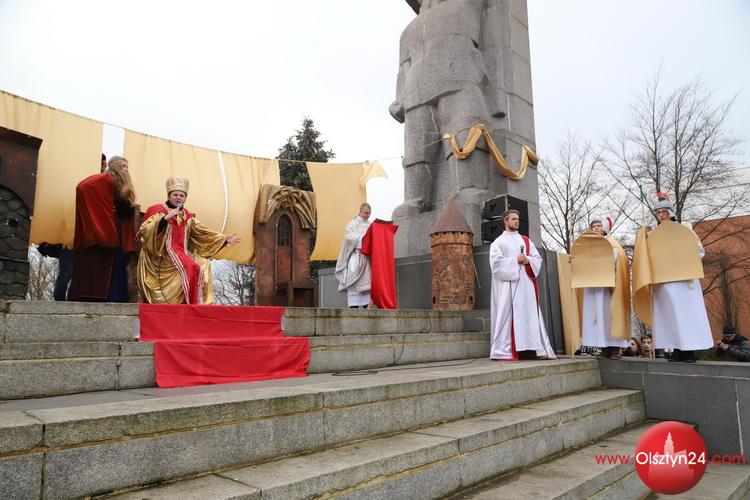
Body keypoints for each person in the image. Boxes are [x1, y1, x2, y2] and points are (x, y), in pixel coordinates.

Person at [137, 176, 240, 304]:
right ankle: (187, 303)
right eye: (175, 194)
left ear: (185, 198)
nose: (178, 198)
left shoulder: (186, 215)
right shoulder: (157, 210)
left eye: (182, 195)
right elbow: (145, 232)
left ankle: (200, 303)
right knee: (191, 266)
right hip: (160, 256)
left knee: (203, 263)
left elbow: (202, 232)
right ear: (169, 196)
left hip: (181, 252)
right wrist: (165, 218)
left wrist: (223, 239)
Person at [650, 192, 713, 363]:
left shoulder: (685, 231)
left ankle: (689, 351)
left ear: (670, 213)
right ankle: (676, 349)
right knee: (669, 316)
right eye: (658, 212)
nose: (661, 215)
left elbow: (699, 251)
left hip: (684, 282)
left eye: (664, 211)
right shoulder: (653, 235)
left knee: (686, 315)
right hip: (664, 282)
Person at [489, 209, 556, 360]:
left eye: (518, 219)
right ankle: (509, 350)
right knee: (513, 317)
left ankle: (534, 349)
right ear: (505, 221)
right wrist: (515, 260)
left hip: (527, 286)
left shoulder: (526, 240)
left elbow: (537, 259)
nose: (516, 221)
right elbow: (496, 264)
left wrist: (528, 260)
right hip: (509, 287)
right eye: (513, 219)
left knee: (531, 316)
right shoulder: (498, 242)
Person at [68, 156, 137, 302]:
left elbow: (123, 209)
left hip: (114, 226)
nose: (126, 170)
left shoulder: (119, 184)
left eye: (127, 167)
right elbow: (83, 187)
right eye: (123, 166)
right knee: (102, 261)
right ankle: (105, 295)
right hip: (106, 227)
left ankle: (114, 295)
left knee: (114, 260)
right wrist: (99, 217)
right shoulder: (105, 179)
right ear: (116, 167)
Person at [575, 218, 630, 359]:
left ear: (605, 228)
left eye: (599, 225)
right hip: (592, 286)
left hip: (607, 287)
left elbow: (621, 258)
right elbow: (581, 261)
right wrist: (574, 259)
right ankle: (602, 346)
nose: (596, 228)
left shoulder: (612, 242)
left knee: (608, 315)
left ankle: (614, 348)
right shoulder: (587, 244)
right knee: (596, 317)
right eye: (594, 226)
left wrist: (609, 254)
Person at [335, 203, 373, 307]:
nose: (368, 215)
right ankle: (354, 306)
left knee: (366, 281)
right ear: (360, 211)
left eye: (369, 213)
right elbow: (349, 236)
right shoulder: (353, 223)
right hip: (355, 256)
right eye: (366, 213)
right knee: (353, 280)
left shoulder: (370, 225)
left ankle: (365, 306)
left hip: (366, 257)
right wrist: (362, 238)